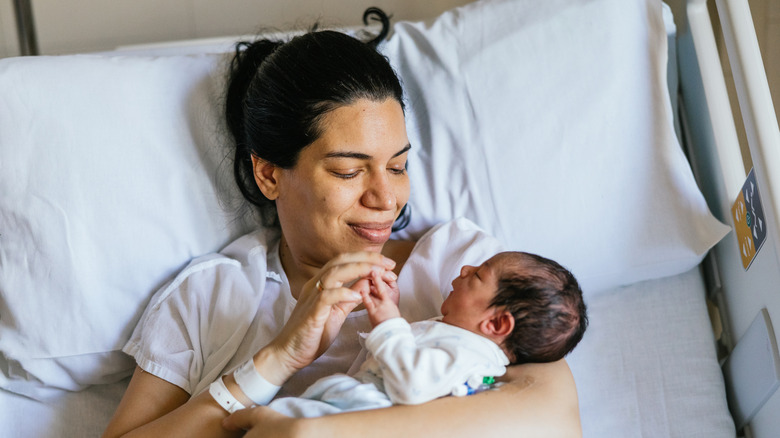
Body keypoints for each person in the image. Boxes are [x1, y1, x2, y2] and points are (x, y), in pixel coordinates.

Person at [103, 19, 582, 438]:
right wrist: (277, 359)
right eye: (349, 172)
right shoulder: (210, 296)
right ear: (269, 174)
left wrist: (322, 432)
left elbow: (555, 423)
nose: (386, 198)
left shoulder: (461, 268)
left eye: (397, 167)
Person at [266, 251, 588, 418]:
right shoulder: (460, 337)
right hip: (354, 400)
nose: (463, 270)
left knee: (288, 416)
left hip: (366, 411)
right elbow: (415, 355)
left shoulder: (474, 360)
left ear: (496, 325)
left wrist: (389, 325)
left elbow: (414, 384)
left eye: (477, 276)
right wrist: (392, 310)